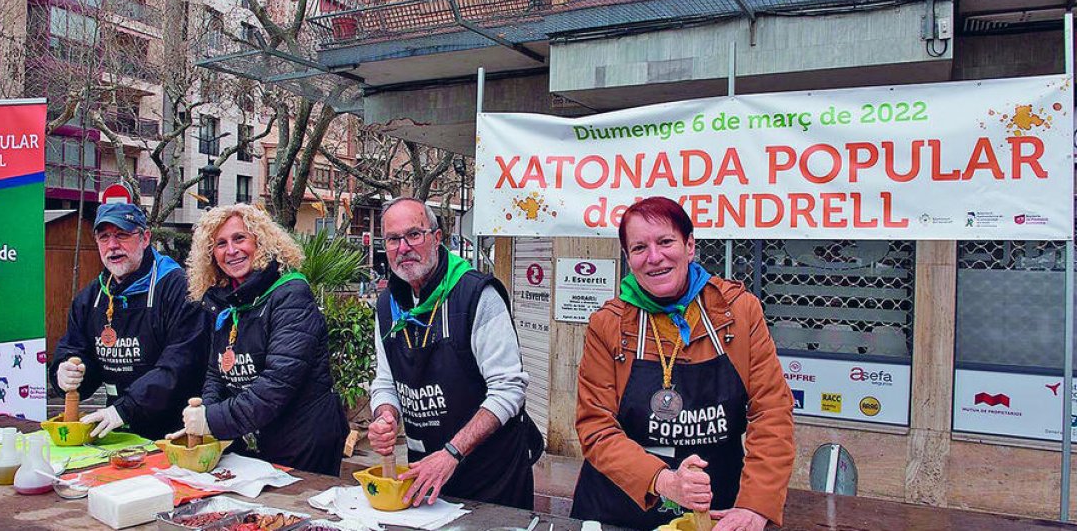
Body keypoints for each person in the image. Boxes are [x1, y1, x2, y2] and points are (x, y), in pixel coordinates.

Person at [571, 196, 794, 531]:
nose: (654, 257)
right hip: (619, 509)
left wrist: (755, 503)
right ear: (628, 259)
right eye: (639, 248)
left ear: (690, 246)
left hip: (716, 511)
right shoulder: (609, 325)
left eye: (665, 242)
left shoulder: (740, 312)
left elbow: (772, 411)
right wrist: (664, 480)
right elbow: (596, 428)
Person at [367, 197, 542, 509]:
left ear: (437, 238)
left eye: (414, 234)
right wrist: (385, 416)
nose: (403, 247)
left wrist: (452, 452)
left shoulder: (476, 295)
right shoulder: (386, 306)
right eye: (393, 239)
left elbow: (509, 389)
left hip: (491, 475)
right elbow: (385, 382)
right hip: (424, 473)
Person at [168, 204, 347, 476]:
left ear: (260, 241)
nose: (231, 250)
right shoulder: (224, 301)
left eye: (240, 238)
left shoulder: (291, 294)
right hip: (253, 438)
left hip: (303, 442)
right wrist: (205, 413)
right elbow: (217, 372)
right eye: (220, 244)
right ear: (210, 255)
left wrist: (213, 421)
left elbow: (278, 383)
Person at [51, 202, 209, 440]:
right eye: (104, 237)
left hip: (177, 432)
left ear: (145, 238)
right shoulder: (90, 297)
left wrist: (125, 409)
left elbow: (180, 364)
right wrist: (64, 371)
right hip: (118, 431)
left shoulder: (180, 289)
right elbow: (75, 349)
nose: (113, 246)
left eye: (122, 235)